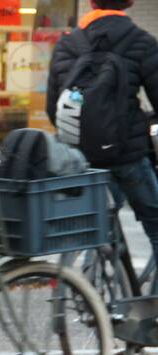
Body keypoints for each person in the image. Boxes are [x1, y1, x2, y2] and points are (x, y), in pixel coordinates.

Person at [47, 0, 158, 264]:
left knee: (95, 229)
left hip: (83, 160)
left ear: (91, 3)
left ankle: (90, 294)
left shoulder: (67, 44)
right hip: (127, 155)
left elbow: (53, 108)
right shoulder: (141, 42)